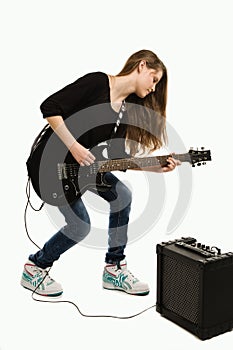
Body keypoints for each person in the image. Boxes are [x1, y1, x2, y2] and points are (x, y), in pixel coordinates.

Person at [21, 49, 181, 297]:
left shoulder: (125, 111)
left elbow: (114, 160)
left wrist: (155, 166)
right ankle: (36, 267)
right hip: (50, 165)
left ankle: (114, 268)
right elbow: (50, 106)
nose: (153, 88)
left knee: (123, 195)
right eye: (154, 79)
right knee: (80, 226)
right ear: (141, 66)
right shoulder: (97, 82)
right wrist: (74, 146)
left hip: (82, 169)